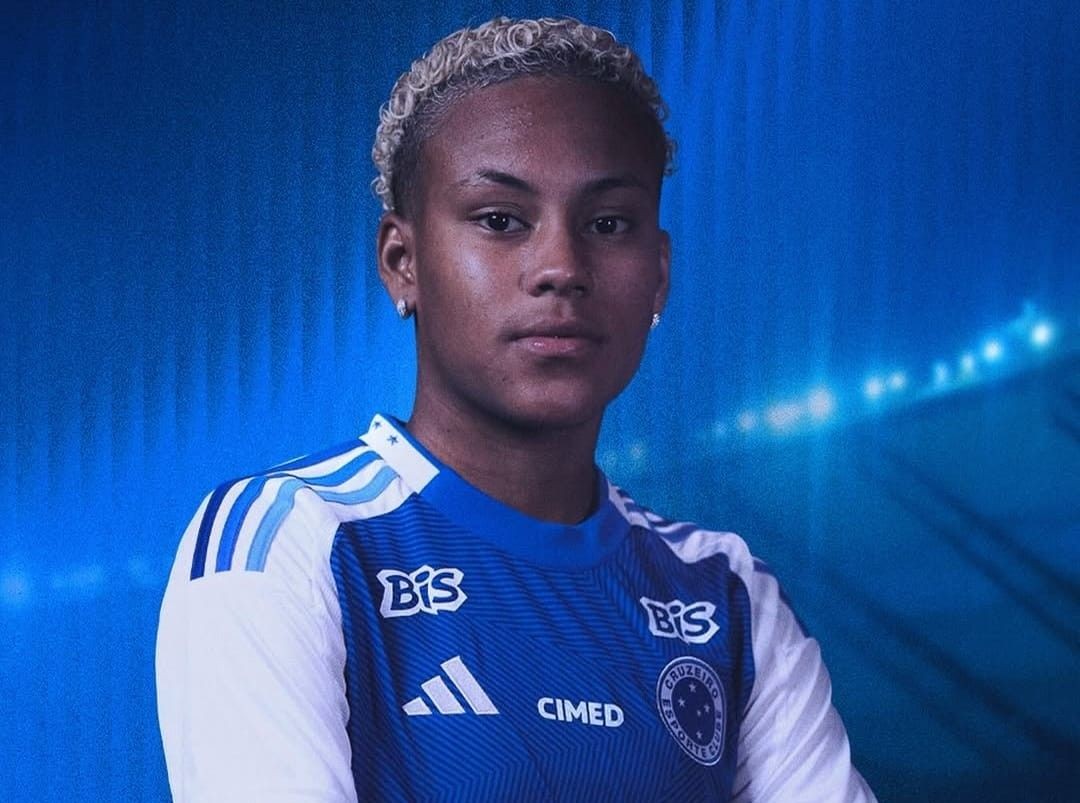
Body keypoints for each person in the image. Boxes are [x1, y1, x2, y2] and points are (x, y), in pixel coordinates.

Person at [156, 16, 876, 802]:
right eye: (500, 220)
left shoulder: (726, 593)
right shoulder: (288, 543)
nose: (561, 266)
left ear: (659, 274)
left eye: (608, 224)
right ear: (402, 262)